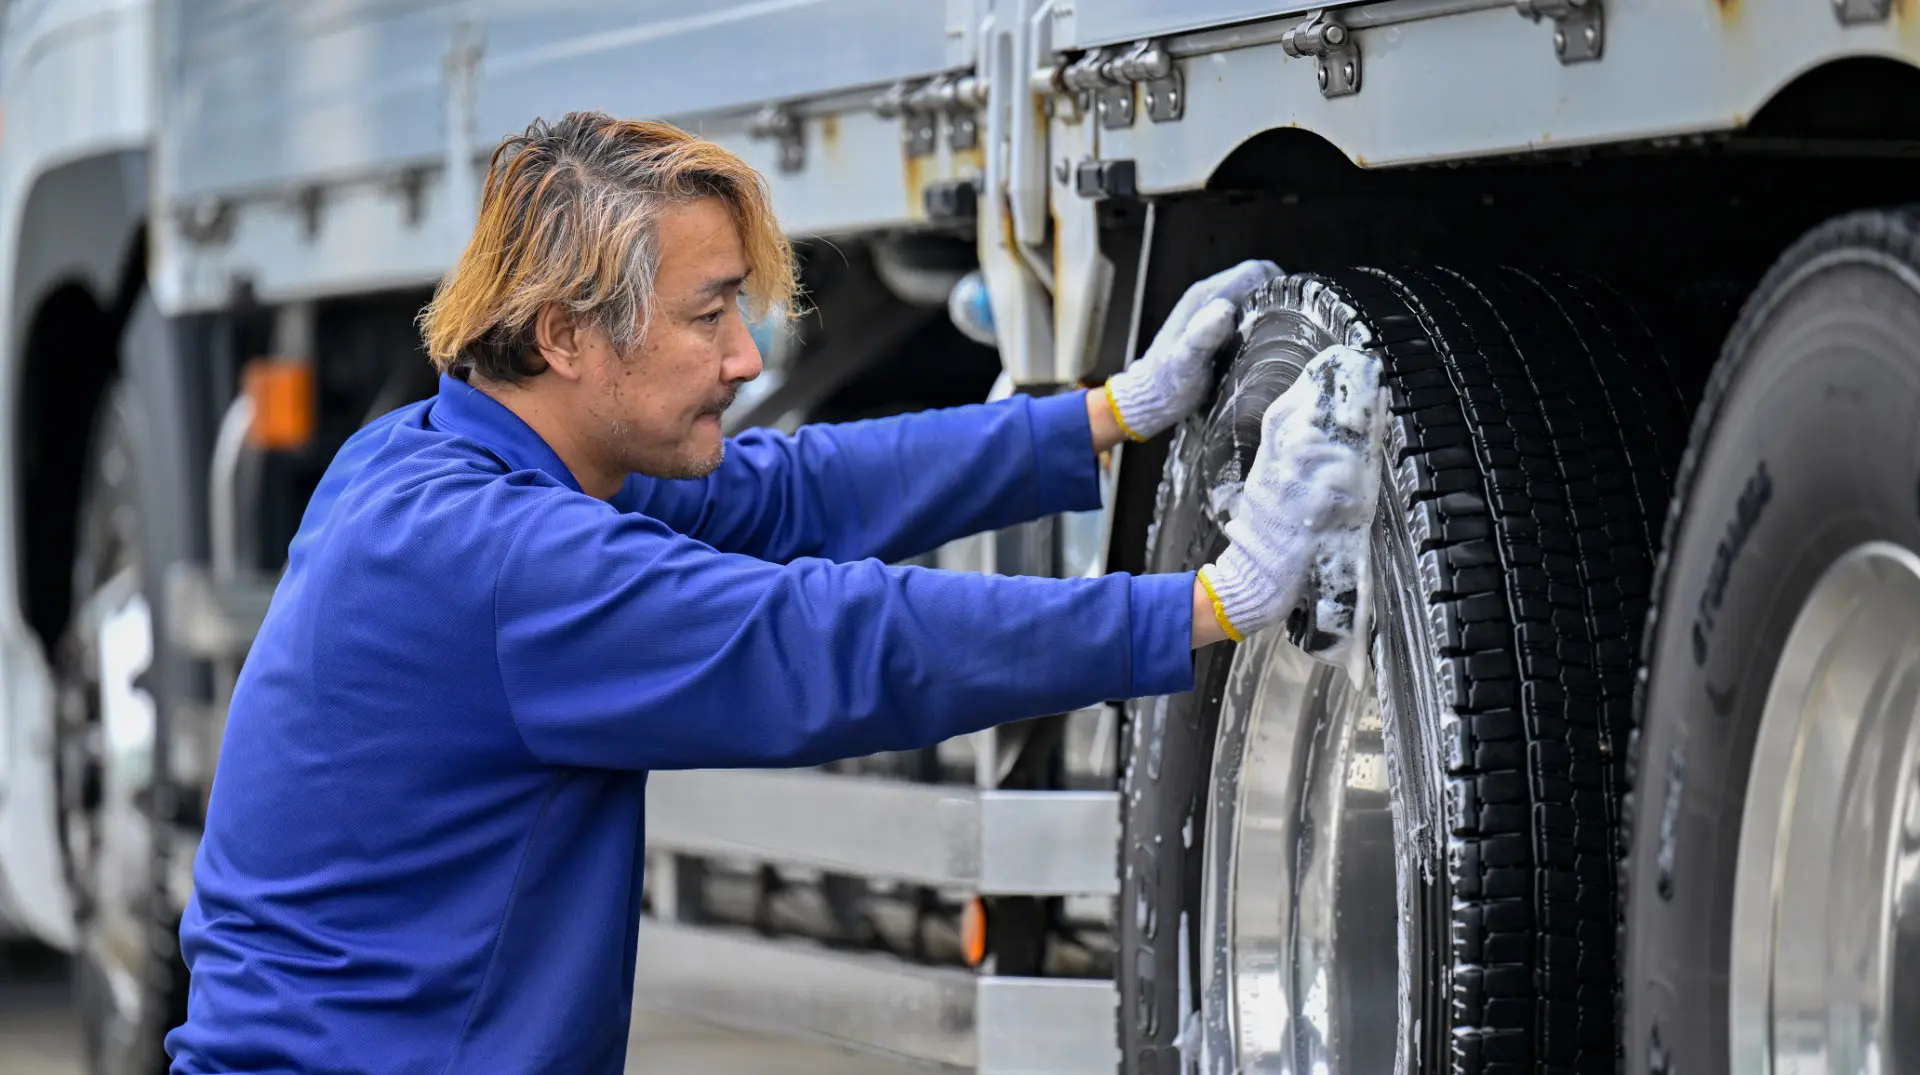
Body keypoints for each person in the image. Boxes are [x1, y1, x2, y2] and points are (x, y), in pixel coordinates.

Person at [165, 111, 1385, 1074]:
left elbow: (784, 494)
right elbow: (824, 643)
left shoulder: (427, 459)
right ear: (562, 336)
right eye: (709, 317)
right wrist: (1211, 602)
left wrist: (1105, 417)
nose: (748, 358)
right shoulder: (505, 566)